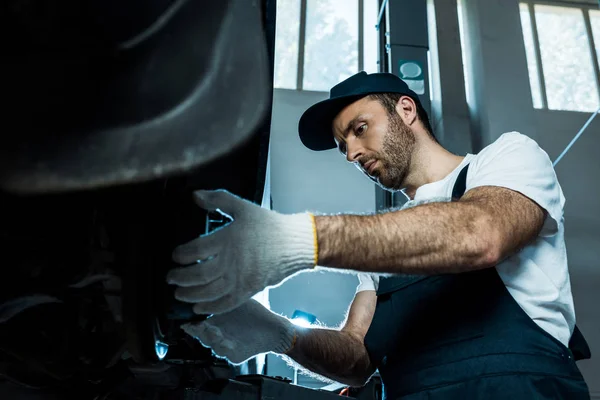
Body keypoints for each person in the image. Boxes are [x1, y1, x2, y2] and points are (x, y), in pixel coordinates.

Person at [166, 72, 590, 399]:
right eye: (342, 146)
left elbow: (481, 233)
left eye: (359, 128)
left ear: (406, 110)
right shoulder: (388, 246)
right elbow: (356, 358)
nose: (351, 153)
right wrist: (280, 335)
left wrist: (299, 239)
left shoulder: (506, 159)